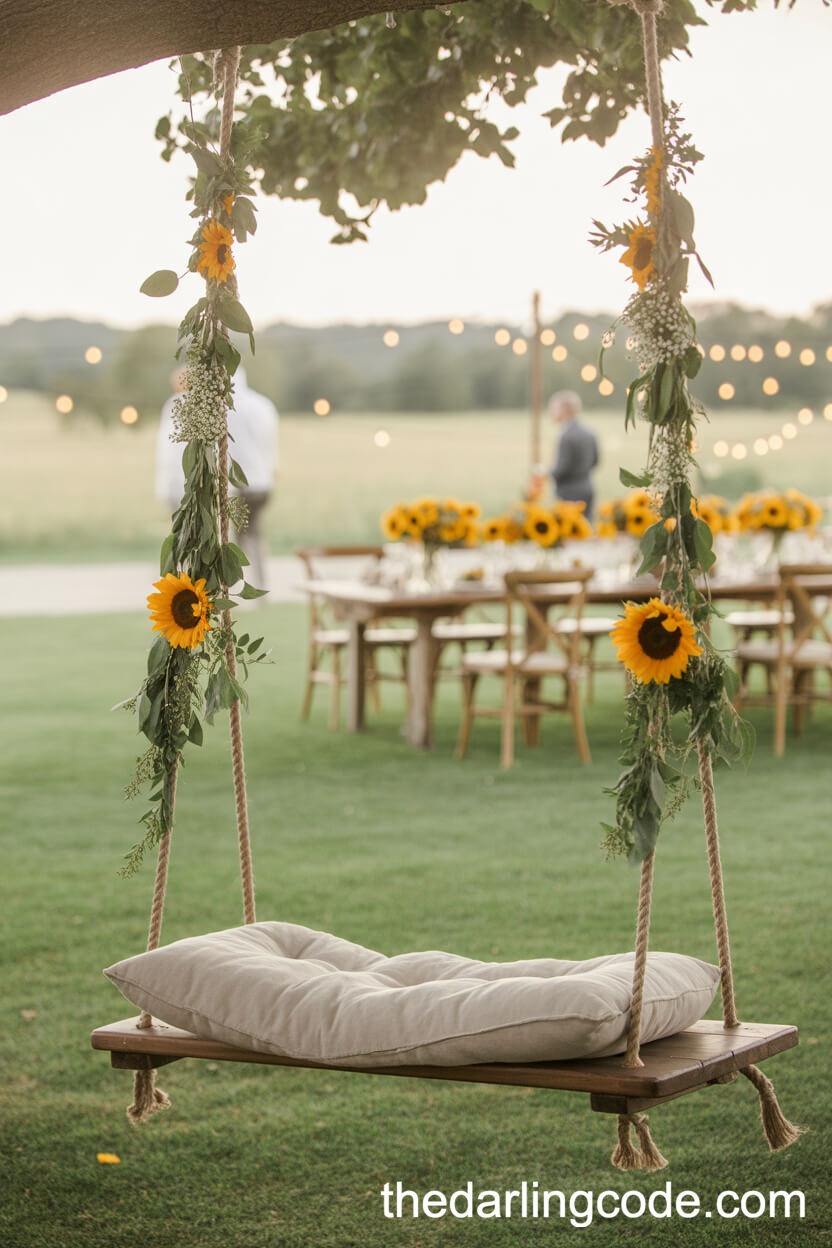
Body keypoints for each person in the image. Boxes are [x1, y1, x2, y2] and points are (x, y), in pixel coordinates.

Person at [155, 365, 279, 590]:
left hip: (232, 482)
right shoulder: (263, 405)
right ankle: (258, 586)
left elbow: (172, 451)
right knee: (253, 537)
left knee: (222, 537)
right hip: (261, 481)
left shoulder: (210, 405)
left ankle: (216, 587)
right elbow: (270, 446)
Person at [548, 390, 599, 520]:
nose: (552, 412)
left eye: (554, 408)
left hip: (569, 492)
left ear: (565, 409)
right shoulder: (589, 433)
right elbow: (595, 461)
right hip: (587, 487)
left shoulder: (566, 436)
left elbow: (562, 469)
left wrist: (547, 473)